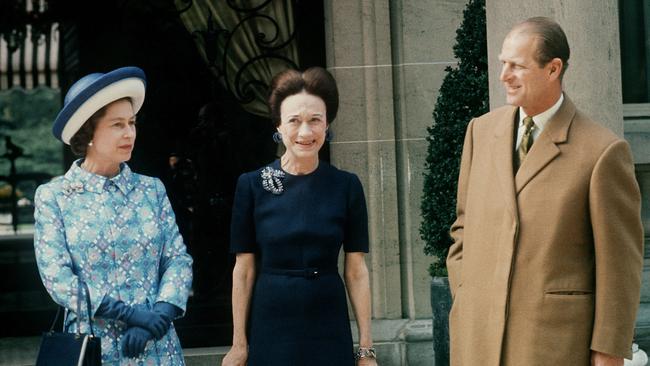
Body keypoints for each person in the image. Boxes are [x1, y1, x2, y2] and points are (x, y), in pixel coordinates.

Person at [447, 17, 644, 366]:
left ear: (553, 69)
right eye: (502, 64)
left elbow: (619, 268)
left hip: (554, 346)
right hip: (476, 341)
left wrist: (608, 353)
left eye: (517, 66)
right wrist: (467, 293)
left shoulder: (602, 152)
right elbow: (463, 228)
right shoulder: (480, 132)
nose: (503, 75)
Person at [33, 66, 193, 364]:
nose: (129, 133)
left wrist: (157, 317)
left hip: (157, 346)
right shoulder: (54, 196)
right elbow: (58, 279)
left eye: (132, 123)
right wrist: (131, 315)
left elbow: (177, 260)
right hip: (94, 349)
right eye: (117, 124)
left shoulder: (152, 190)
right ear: (88, 132)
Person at [221, 67, 378, 366]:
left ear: (327, 124)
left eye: (315, 120)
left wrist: (366, 349)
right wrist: (239, 344)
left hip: (328, 322)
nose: (305, 132)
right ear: (278, 126)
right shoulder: (253, 184)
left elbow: (356, 270)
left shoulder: (346, 186)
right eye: (294, 121)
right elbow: (243, 269)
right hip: (271, 321)